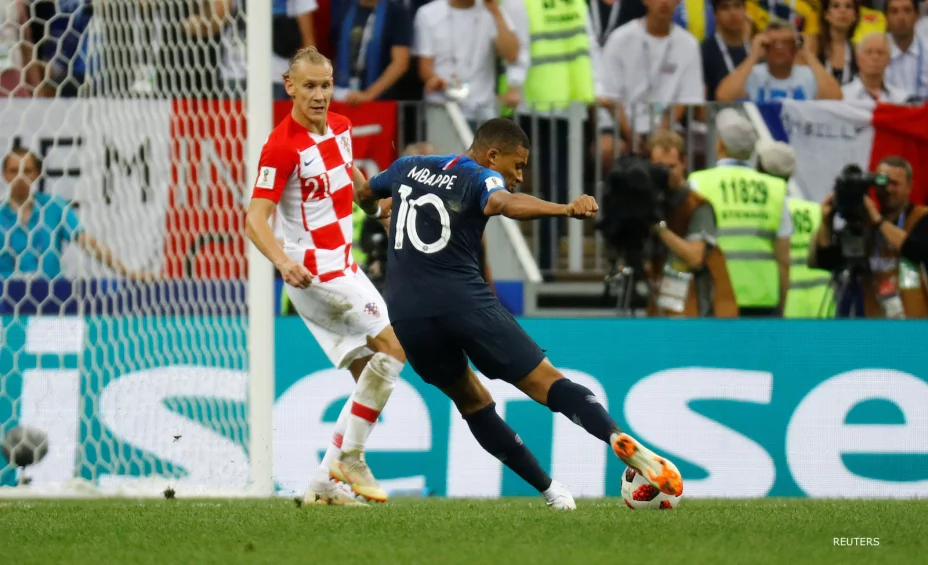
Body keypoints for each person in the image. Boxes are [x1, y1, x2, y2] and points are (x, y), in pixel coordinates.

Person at [355, 118, 683, 510]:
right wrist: (564, 209)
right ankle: (614, 436)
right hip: (464, 301)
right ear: (493, 155)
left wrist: (377, 212)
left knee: (472, 403)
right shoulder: (480, 176)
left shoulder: (409, 167)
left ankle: (553, 493)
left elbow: (363, 193)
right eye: (518, 165)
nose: (520, 176)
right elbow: (502, 203)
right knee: (547, 383)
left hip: (407, 314)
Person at [245, 47, 407, 506]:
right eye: (310, 86)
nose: (319, 95)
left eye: (326, 85)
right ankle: (350, 459)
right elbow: (255, 219)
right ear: (290, 87)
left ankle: (323, 483)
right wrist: (282, 262)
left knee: (369, 376)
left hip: (344, 265)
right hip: (313, 271)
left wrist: (378, 211)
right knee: (395, 348)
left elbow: (350, 177)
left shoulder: (340, 127)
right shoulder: (281, 145)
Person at [690, 109, 792, 317]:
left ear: (720, 146)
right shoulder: (774, 188)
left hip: (714, 295)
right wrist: (782, 306)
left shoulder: (698, 183)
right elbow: (784, 257)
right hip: (762, 298)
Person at [0, 148, 148, 280]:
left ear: (37, 174)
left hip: (51, 292)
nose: (20, 177)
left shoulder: (53, 206)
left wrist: (126, 271)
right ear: (4, 175)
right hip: (5, 294)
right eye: (14, 171)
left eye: (27, 171)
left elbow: (86, 241)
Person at [809, 156, 928, 318]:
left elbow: (918, 249)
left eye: (895, 184)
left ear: (909, 186)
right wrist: (826, 221)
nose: (888, 189)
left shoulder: (921, 217)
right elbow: (825, 260)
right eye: (883, 183)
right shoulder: (865, 225)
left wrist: (879, 222)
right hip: (874, 320)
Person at [648, 130, 738, 317]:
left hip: (699, 309)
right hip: (663, 304)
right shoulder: (653, 204)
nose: (666, 174)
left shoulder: (697, 205)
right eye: (659, 167)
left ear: (684, 163)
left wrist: (659, 229)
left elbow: (695, 257)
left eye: (671, 167)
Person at [755, 139, 836, 318]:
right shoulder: (816, 211)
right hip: (821, 308)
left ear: (759, 170)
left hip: (784, 309)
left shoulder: (762, 214)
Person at [716, 19, 843, 102]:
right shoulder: (752, 74)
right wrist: (753, 55)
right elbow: (723, 97)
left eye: (786, 42)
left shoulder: (809, 75)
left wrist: (808, 54)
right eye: (773, 42)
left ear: (795, 47)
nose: (779, 47)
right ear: (764, 47)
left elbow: (836, 98)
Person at [702, 0, 752, 101]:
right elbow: (699, 100)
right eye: (725, 8)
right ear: (715, 15)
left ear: (745, 10)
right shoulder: (704, 51)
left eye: (737, 6)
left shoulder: (756, 47)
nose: (733, 13)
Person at [842, 31, 910, 101]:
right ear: (858, 58)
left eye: (880, 52)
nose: (875, 57)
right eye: (869, 52)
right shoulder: (843, 96)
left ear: (888, 59)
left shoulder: (901, 99)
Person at [884, 0, 928, 100]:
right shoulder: (876, 51)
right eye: (894, 11)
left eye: (907, 10)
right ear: (886, 17)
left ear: (916, 16)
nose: (901, 17)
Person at [816, 0, 861, 86]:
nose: (843, 11)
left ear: (855, 15)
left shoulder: (858, 51)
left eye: (848, 6)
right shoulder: (814, 46)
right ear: (826, 14)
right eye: (836, 6)